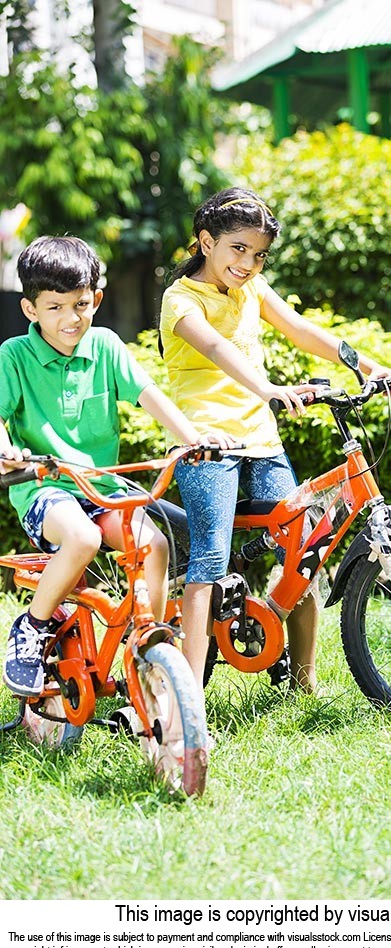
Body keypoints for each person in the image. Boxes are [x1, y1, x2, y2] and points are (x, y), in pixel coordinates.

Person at [160, 186, 391, 696]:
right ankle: (187, 696)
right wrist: (267, 387)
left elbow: (300, 329)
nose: (249, 263)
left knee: (305, 549)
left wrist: (368, 365)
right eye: (238, 249)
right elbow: (216, 347)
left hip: (261, 440)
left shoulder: (253, 288)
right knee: (209, 560)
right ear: (206, 242)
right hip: (208, 441)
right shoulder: (180, 299)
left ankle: (303, 683)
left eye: (259, 254)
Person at [0, 235, 228, 699]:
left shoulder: (104, 346)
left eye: (81, 304)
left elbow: (150, 396)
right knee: (82, 538)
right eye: (55, 307)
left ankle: (149, 644)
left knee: (155, 545)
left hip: (102, 487)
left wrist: (194, 437)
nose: (70, 319)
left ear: (96, 299)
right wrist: (7, 451)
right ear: (30, 310)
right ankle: (30, 627)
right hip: (46, 489)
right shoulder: (14, 357)